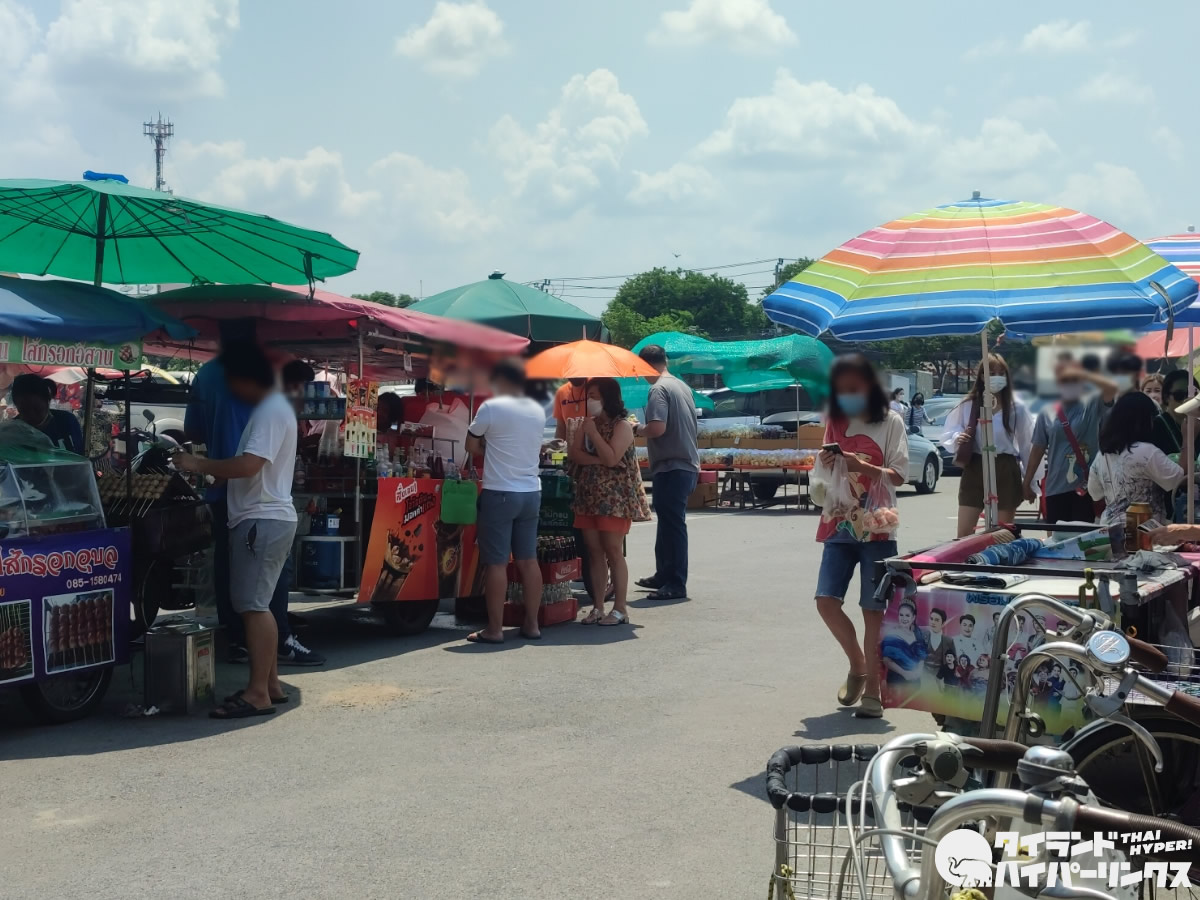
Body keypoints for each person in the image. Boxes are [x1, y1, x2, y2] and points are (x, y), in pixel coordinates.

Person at [174, 344, 298, 718]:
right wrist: (216, 472)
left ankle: (258, 693)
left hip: (261, 519)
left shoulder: (270, 412)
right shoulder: (272, 410)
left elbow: (249, 465)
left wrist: (198, 464)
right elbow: (249, 466)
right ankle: (269, 685)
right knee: (258, 604)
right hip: (263, 518)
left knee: (253, 607)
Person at [813, 353, 908, 718]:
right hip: (838, 520)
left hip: (878, 524)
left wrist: (862, 465)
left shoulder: (891, 421)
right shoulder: (834, 421)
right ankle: (858, 665)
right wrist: (826, 463)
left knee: (873, 610)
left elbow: (899, 475)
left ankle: (873, 693)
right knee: (826, 600)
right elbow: (825, 475)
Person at [184, 320, 255, 663]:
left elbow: (192, 430)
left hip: (219, 484)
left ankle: (234, 633)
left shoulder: (206, 374)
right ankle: (267, 634)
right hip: (257, 489)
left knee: (227, 562)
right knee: (259, 567)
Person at [463, 358, 546, 644]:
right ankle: (532, 624)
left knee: (496, 563)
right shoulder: (537, 409)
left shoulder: (491, 407)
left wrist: (490, 444)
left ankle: (495, 629)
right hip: (531, 492)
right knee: (528, 560)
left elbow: (471, 445)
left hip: (499, 492)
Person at [569, 378, 646, 626]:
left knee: (613, 550)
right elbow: (575, 454)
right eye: (588, 396)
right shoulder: (587, 423)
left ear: (608, 398)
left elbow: (612, 458)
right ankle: (598, 606)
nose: (589, 401)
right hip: (588, 496)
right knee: (594, 552)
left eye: (594, 396)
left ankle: (620, 608)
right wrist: (595, 457)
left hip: (615, 498)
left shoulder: (622, 426)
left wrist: (593, 435)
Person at [269, 360, 325, 666]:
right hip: (269, 512)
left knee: (273, 581)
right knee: (274, 580)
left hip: (274, 508)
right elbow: (253, 463)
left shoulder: (280, 413)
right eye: (306, 389)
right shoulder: (277, 413)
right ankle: (282, 640)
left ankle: (276, 646)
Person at [633, 345, 699, 601]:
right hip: (684, 464)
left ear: (645, 365)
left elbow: (657, 428)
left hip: (673, 466)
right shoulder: (680, 385)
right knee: (668, 524)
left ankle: (675, 583)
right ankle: (663, 574)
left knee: (673, 526)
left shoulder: (658, 389)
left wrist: (636, 428)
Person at [942, 354, 1033, 537]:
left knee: (1002, 534)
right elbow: (950, 430)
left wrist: (1029, 482)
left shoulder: (1017, 408)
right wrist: (958, 437)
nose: (996, 377)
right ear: (982, 376)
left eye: (1001, 373)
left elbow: (1027, 445)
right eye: (991, 373)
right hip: (975, 466)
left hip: (1005, 467)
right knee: (964, 534)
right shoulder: (969, 404)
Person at [1022, 361, 1117, 523]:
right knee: (1058, 535)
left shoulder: (1092, 404)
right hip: (1055, 485)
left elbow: (1111, 388)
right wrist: (1027, 482)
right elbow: (1038, 447)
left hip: (1087, 485)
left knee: (1082, 535)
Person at [1088, 391, 1185, 527]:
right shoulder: (1146, 452)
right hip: (1144, 530)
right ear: (1145, 419)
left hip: (1110, 528)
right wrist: (1188, 438)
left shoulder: (1101, 455)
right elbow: (1179, 479)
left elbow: (1095, 493)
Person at [10, 374, 84, 454]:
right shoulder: (12, 433)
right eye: (25, 409)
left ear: (47, 400)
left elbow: (80, 454)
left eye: (36, 408)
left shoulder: (67, 421)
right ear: (17, 406)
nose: (31, 414)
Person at [880, 600, 926, 687]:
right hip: (896, 682)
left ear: (913, 617)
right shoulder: (892, 634)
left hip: (915, 682)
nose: (904, 618)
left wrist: (919, 671)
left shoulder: (918, 633)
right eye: (901, 615)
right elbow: (887, 660)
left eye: (907, 615)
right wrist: (904, 673)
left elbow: (922, 657)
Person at [920, 607, 954, 683]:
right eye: (931, 619)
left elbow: (953, 662)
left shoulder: (949, 641)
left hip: (940, 678)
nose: (933, 622)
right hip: (923, 677)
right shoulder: (922, 636)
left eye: (936, 620)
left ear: (943, 623)